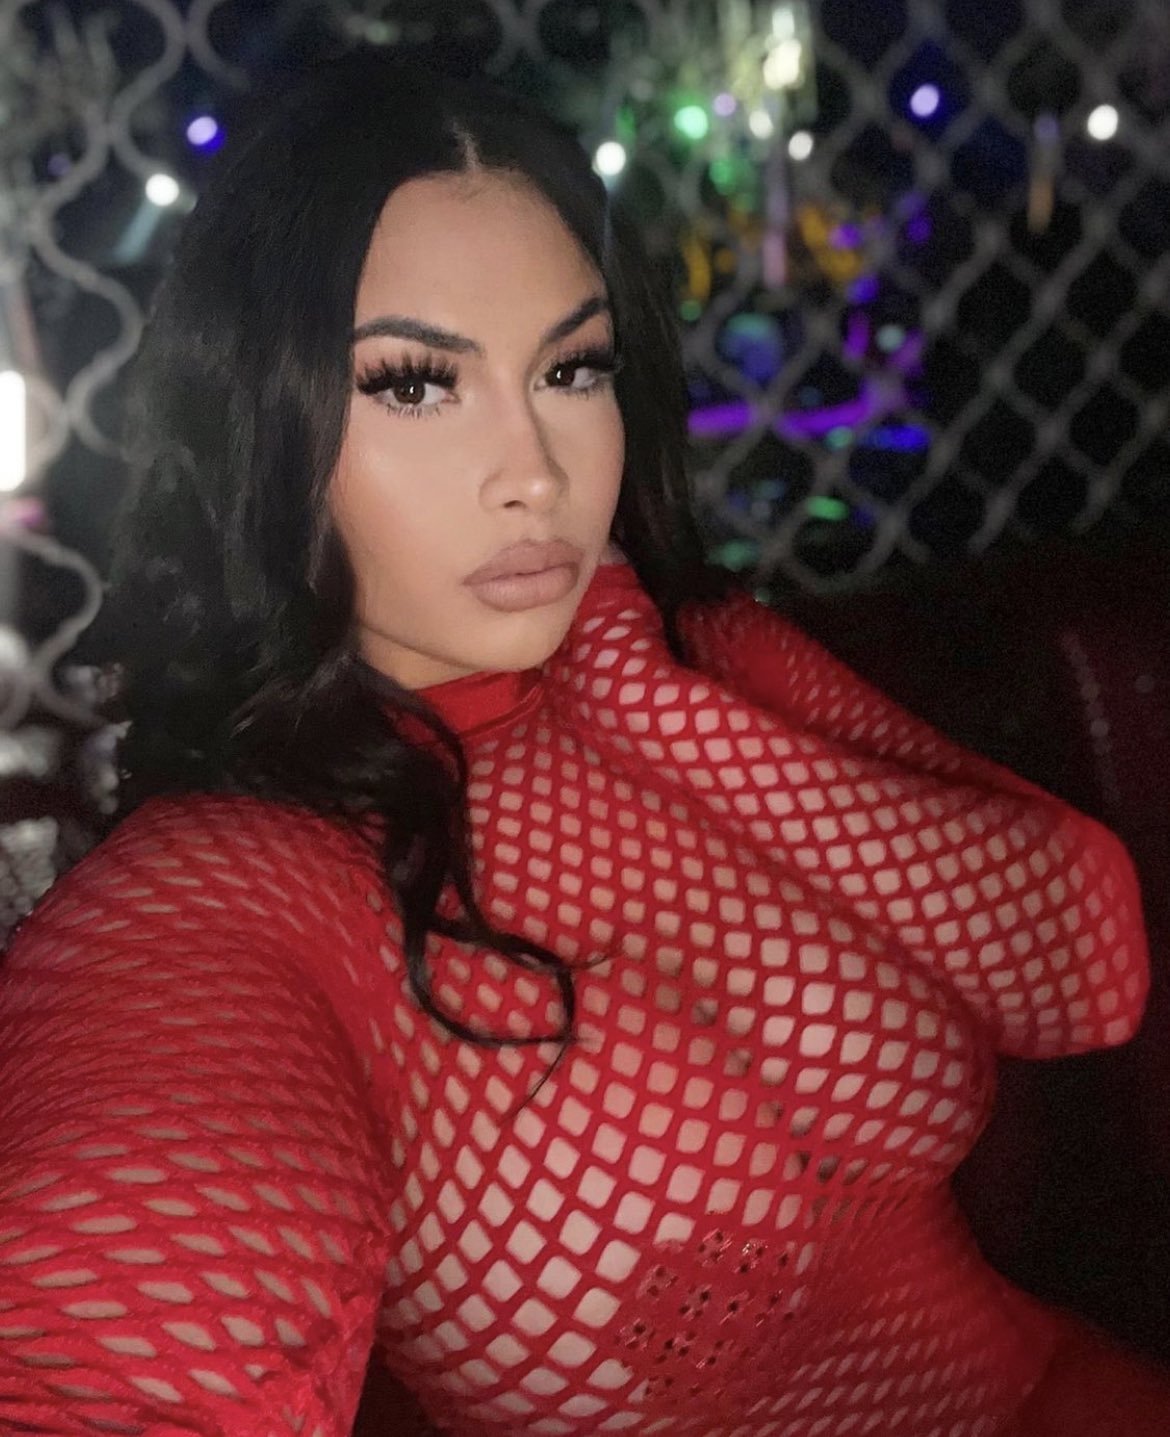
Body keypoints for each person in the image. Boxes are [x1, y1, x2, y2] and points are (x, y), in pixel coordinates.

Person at [0, 51, 1166, 1437]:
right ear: (260, 424)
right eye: (415, 385)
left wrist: (659, 702)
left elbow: (1087, 977)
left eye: (571, 367)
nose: (537, 473)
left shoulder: (704, 654)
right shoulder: (240, 885)